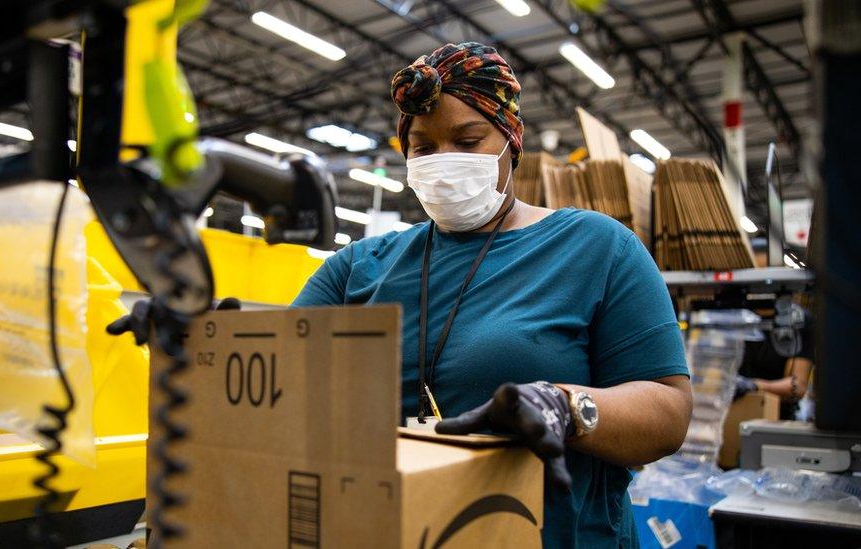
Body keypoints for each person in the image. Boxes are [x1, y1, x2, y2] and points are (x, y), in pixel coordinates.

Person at [291, 42, 692, 548]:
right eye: (424, 148)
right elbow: (278, 374)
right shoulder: (356, 268)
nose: (444, 161)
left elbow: (669, 412)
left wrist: (565, 408)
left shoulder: (596, 247)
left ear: (510, 140)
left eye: (467, 139)